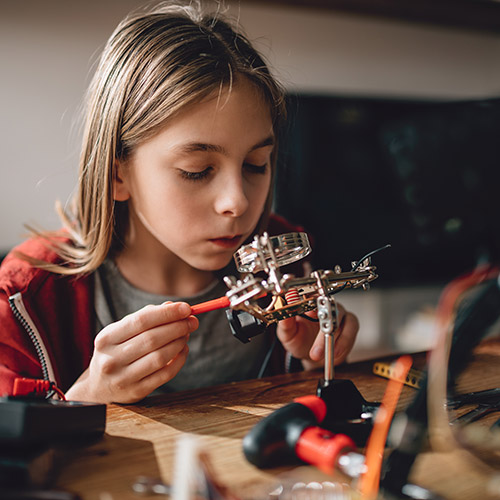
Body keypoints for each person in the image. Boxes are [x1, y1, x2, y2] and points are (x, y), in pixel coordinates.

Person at [0, 1, 358, 404]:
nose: (237, 202)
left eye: (256, 164)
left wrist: (317, 364)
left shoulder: (287, 256)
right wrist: (87, 397)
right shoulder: (26, 297)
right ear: (118, 173)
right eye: (197, 170)